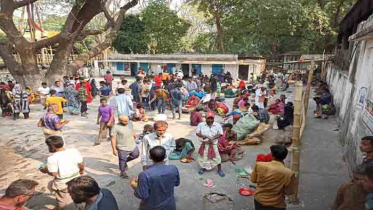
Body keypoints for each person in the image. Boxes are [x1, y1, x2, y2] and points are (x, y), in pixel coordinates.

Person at [40, 136, 84, 210]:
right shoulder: (73, 151)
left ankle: (61, 208)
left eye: (48, 146)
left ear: (52, 146)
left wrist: (45, 170)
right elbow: (81, 164)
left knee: (61, 199)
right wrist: (81, 170)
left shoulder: (52, 158)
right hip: (76, 179)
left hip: (62, 183)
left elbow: (53, 173)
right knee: (78, 194)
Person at [132, 146, 180, 210]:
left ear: (150, 157)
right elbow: (177, 183)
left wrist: (134, 186)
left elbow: (142, 195)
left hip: (150, 207)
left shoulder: (144, 175)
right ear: (165, 156)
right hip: (169, 206)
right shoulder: (173, 169)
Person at [251, 145, 297, 210]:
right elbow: (289, 192)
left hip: (259, 199)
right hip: (276, 203)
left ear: (272, 155)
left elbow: (253, 180)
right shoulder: (289, 173)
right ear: (285, 157)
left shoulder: (259, 165)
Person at [196, 111, 225, 177]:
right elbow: (197, 133)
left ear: (214, 118)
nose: (210, 120)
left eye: (212, 118)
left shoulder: (217, 125)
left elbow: (220, 133)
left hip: (213, 144)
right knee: (204, 157)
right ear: (205, 118)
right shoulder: (201, 124)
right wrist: (205, 136)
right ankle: (203, 168)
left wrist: (213, 138)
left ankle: (219, 170)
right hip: (204, 144)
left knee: (217, 157)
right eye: (208, 118)